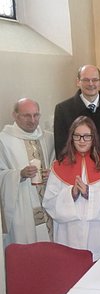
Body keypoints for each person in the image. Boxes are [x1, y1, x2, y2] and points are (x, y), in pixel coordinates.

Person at [43, 116, 100, 261]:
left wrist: (90, 193)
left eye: (87, 136)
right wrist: (71, 195)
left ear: (93, 138)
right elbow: (49, 202)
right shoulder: (59, 166)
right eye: (78, 136)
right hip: (70, 236)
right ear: (71, 138)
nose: (82, 141)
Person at [0, 98, 54, 246]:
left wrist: (52, 174)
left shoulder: (48, 138)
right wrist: (19, 174)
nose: (32, 120)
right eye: (26, 115)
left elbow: (57, 164)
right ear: (15, 115)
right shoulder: (4, 140)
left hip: (48, 205)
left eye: (36, 115)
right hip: (22, 206)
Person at [54, 65, 100, 159]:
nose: (91, 84)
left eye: (95, 80)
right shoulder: (63, 110)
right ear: (78, 82)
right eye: (86, 80)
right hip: (77, 168)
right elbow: (61, 148)